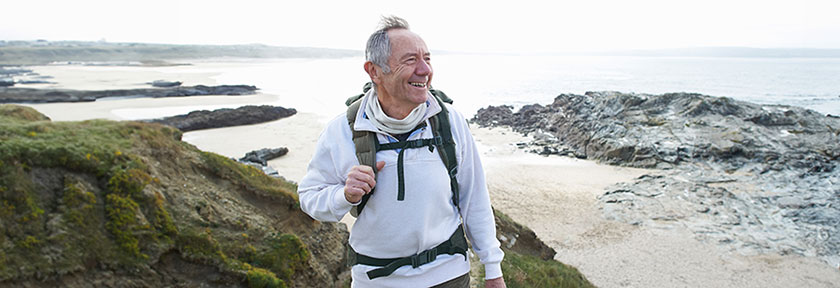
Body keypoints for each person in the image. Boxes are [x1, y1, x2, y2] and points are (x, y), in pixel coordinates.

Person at [297, 16, 505, 288]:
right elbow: (309, 199)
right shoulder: (342, 130)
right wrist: (343, 195)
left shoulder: (449, 120)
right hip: (377, 281)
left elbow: (474, 197)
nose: (424, 70)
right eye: (410, 60)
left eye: (427, 59)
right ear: (374, 71)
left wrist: (492, 269)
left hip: (449, 275)